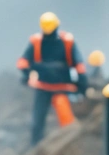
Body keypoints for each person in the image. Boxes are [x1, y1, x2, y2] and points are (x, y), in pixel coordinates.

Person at [17, 12, 87, 145]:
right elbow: (23, 62)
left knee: (66, 124)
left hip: (62, 89)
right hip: (43, 87)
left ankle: (69, 146)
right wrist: (81, 85)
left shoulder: (67, 42)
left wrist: (81, 85)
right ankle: (36, 149)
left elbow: (79, 66)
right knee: (37, 124)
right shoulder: (36, 42)